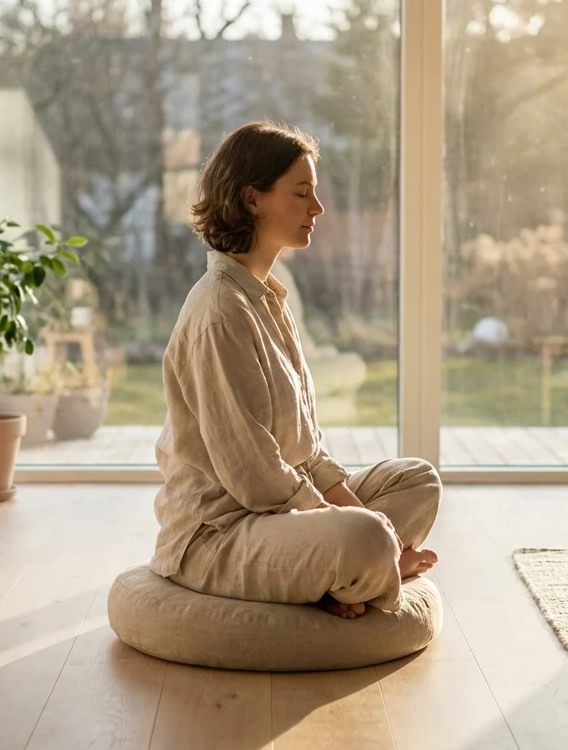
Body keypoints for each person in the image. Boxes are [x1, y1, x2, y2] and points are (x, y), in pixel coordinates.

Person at [151, 120, 441, 619]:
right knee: (365, 536)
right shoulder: (221, 312)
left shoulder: (267, 298)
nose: (318, 207)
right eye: (302, 192)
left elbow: (305, 446)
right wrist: (350, 525)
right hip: (221, 533)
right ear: (252, 200)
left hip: (279, 515)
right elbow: (254, 474)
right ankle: (358, 571)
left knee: (418, 481)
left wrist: (359, 513)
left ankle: (348, 575)